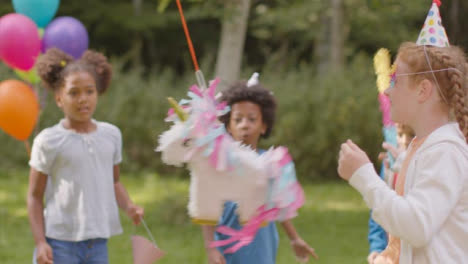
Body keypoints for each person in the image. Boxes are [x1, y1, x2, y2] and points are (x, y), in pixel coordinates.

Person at [338, 42, 468, 263]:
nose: (388, 90)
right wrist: (404, 164)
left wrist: (363, 175)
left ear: (423, 90)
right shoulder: (428, 147)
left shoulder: (445, 151)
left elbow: (416, 226)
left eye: (396, 81)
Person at [28, 48, 144, 264]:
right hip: (60, 243)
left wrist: (129, 206)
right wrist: (40, 242)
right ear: (59, 98)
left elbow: (114, 181)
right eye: (74, 93)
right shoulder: (49, 140)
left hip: (98, 243)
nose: (83, 99)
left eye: (89, 91)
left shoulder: (111, 135)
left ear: (97, 93)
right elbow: (34, 196)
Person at [201, 78, 319, 264]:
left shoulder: (270, 163)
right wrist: (211, 250)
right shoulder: (221, 164)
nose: (244, 125)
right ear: (229, 126)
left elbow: (278, 204)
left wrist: (294, 238)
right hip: (228, 248)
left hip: (262, 247)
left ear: (264, 126)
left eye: (252, 119)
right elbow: (206, 207)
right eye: (237, 119)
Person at [367, 123, 414, 264]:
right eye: (400, 135)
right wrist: (376, 247)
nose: (404, 140)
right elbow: (378, 207)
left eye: (411, 135)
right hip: (390, 251)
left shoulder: (425, 166)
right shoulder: (388, 166)